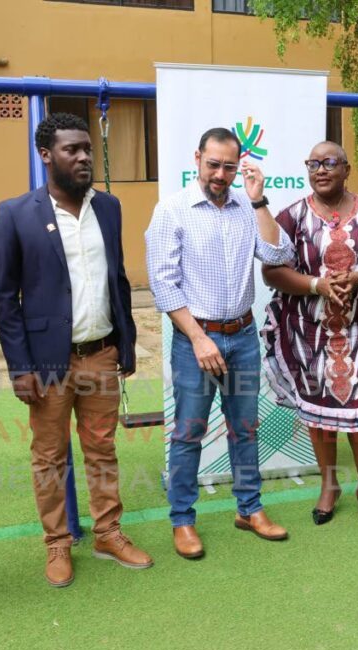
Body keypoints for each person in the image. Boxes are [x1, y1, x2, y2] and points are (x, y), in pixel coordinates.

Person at [0, 112, 152, 587]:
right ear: (46, 155)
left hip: (101, 351)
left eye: (87, 148)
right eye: (71, 150)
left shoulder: (109, 206)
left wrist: (127, 342)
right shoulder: (15, 213)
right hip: (46, 363)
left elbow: (117, 277)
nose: (83, 157)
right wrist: (20, 367)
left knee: (102, 448)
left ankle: (108, 532)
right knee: (49, 456)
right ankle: (57, 543)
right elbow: (6, 298)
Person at [146, 127, 296, 559]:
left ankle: (249, 509)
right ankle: (182, 520)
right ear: (197, 158)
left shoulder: (246, 208)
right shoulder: (172, 211)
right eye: (213, 164)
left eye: (229, 167)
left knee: (245, 429)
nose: (220, 174)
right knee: (189, 433)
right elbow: (163, 284)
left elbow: (277, 256)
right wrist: (198, 338)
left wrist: (259, 198)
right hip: (197, 340)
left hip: (243, 336)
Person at [260, 141, 358, 532]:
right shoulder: (290, 217)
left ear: (347, 168)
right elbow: (271, 273)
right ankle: (329, 485)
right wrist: (316, 285)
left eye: (329, 163)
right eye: (313, 164)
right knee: (320, 415)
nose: (320, 170)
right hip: (309, 333)